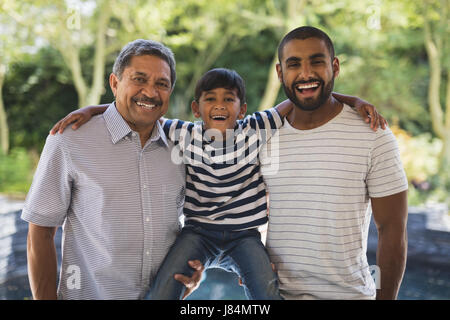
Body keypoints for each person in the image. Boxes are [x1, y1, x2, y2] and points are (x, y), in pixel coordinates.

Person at [50, 66, 386, 299]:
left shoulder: (257, 127)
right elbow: (138, 109)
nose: (220, 105)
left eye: (229, 99)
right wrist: (96, 109)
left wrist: (353, 101)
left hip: (244, 237)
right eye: (210, 99)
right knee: (163, 290)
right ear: (197, 108)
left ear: (242, 109)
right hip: (199, 234)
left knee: (267, 291)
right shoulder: (182, 132)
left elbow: (303, 97)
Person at [21, 39, 203, 300]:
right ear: (115, 83)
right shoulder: (70, 141)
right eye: (139, 79)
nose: (150, 93)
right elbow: (40, 232)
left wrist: (193, 269)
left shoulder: (184, 145)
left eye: (161, 84)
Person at [260, 26, 408, 300]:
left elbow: (392, 230)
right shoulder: (262, 135)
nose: (306, 73)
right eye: (294, 64)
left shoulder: (372, 133)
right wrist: (251, 266)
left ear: (334, 66)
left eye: (316, 61)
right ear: (280, 73)